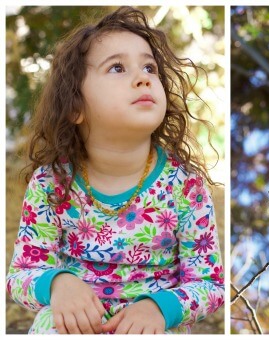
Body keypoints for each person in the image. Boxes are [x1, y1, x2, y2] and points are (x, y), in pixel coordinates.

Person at [6, 6, 224, 334]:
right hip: (71, 324)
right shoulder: (51, 183)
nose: (143, 77)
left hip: (152, 327)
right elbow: (21, 276)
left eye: (150, 66)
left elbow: (209, 284)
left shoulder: (184, 186)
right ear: (76, 106)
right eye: (117, 67)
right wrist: (58, 285)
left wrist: (160, 309)